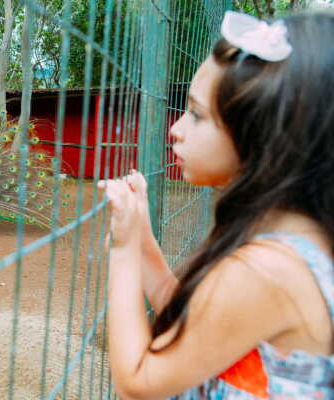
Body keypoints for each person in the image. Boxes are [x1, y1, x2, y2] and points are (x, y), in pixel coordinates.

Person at [98, 10, 334, 399]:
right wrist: (142, 245)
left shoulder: (268, 270)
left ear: (260, 136)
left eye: (196, 114)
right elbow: (206, 325)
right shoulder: (292, 248)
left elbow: (138, 382)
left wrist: (123, 252)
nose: (175, 130)